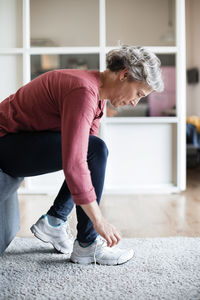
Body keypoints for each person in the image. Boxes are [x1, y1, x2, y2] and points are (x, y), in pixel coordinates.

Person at [0, 45, 164, 265]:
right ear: (124, 75)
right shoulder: (83, 90)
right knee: (95, 149)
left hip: (16, 143)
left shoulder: (96, 96)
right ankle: (85, 244)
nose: (135, 102)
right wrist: (98, 221)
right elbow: (76, 162)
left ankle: (55, 221)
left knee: (94, 150)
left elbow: (85, 158)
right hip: (5, 143)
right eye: (138, 94)